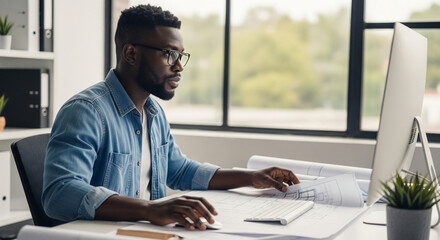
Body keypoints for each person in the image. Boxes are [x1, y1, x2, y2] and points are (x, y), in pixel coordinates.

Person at [42, 4, 300, 231]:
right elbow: (60, 193)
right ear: (131, 54)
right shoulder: (86, 111)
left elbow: (178, 170)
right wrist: (148, 209)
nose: (179, 66)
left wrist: (249, 177)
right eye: (169, 54)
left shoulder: (153, 113)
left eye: (180, 55)